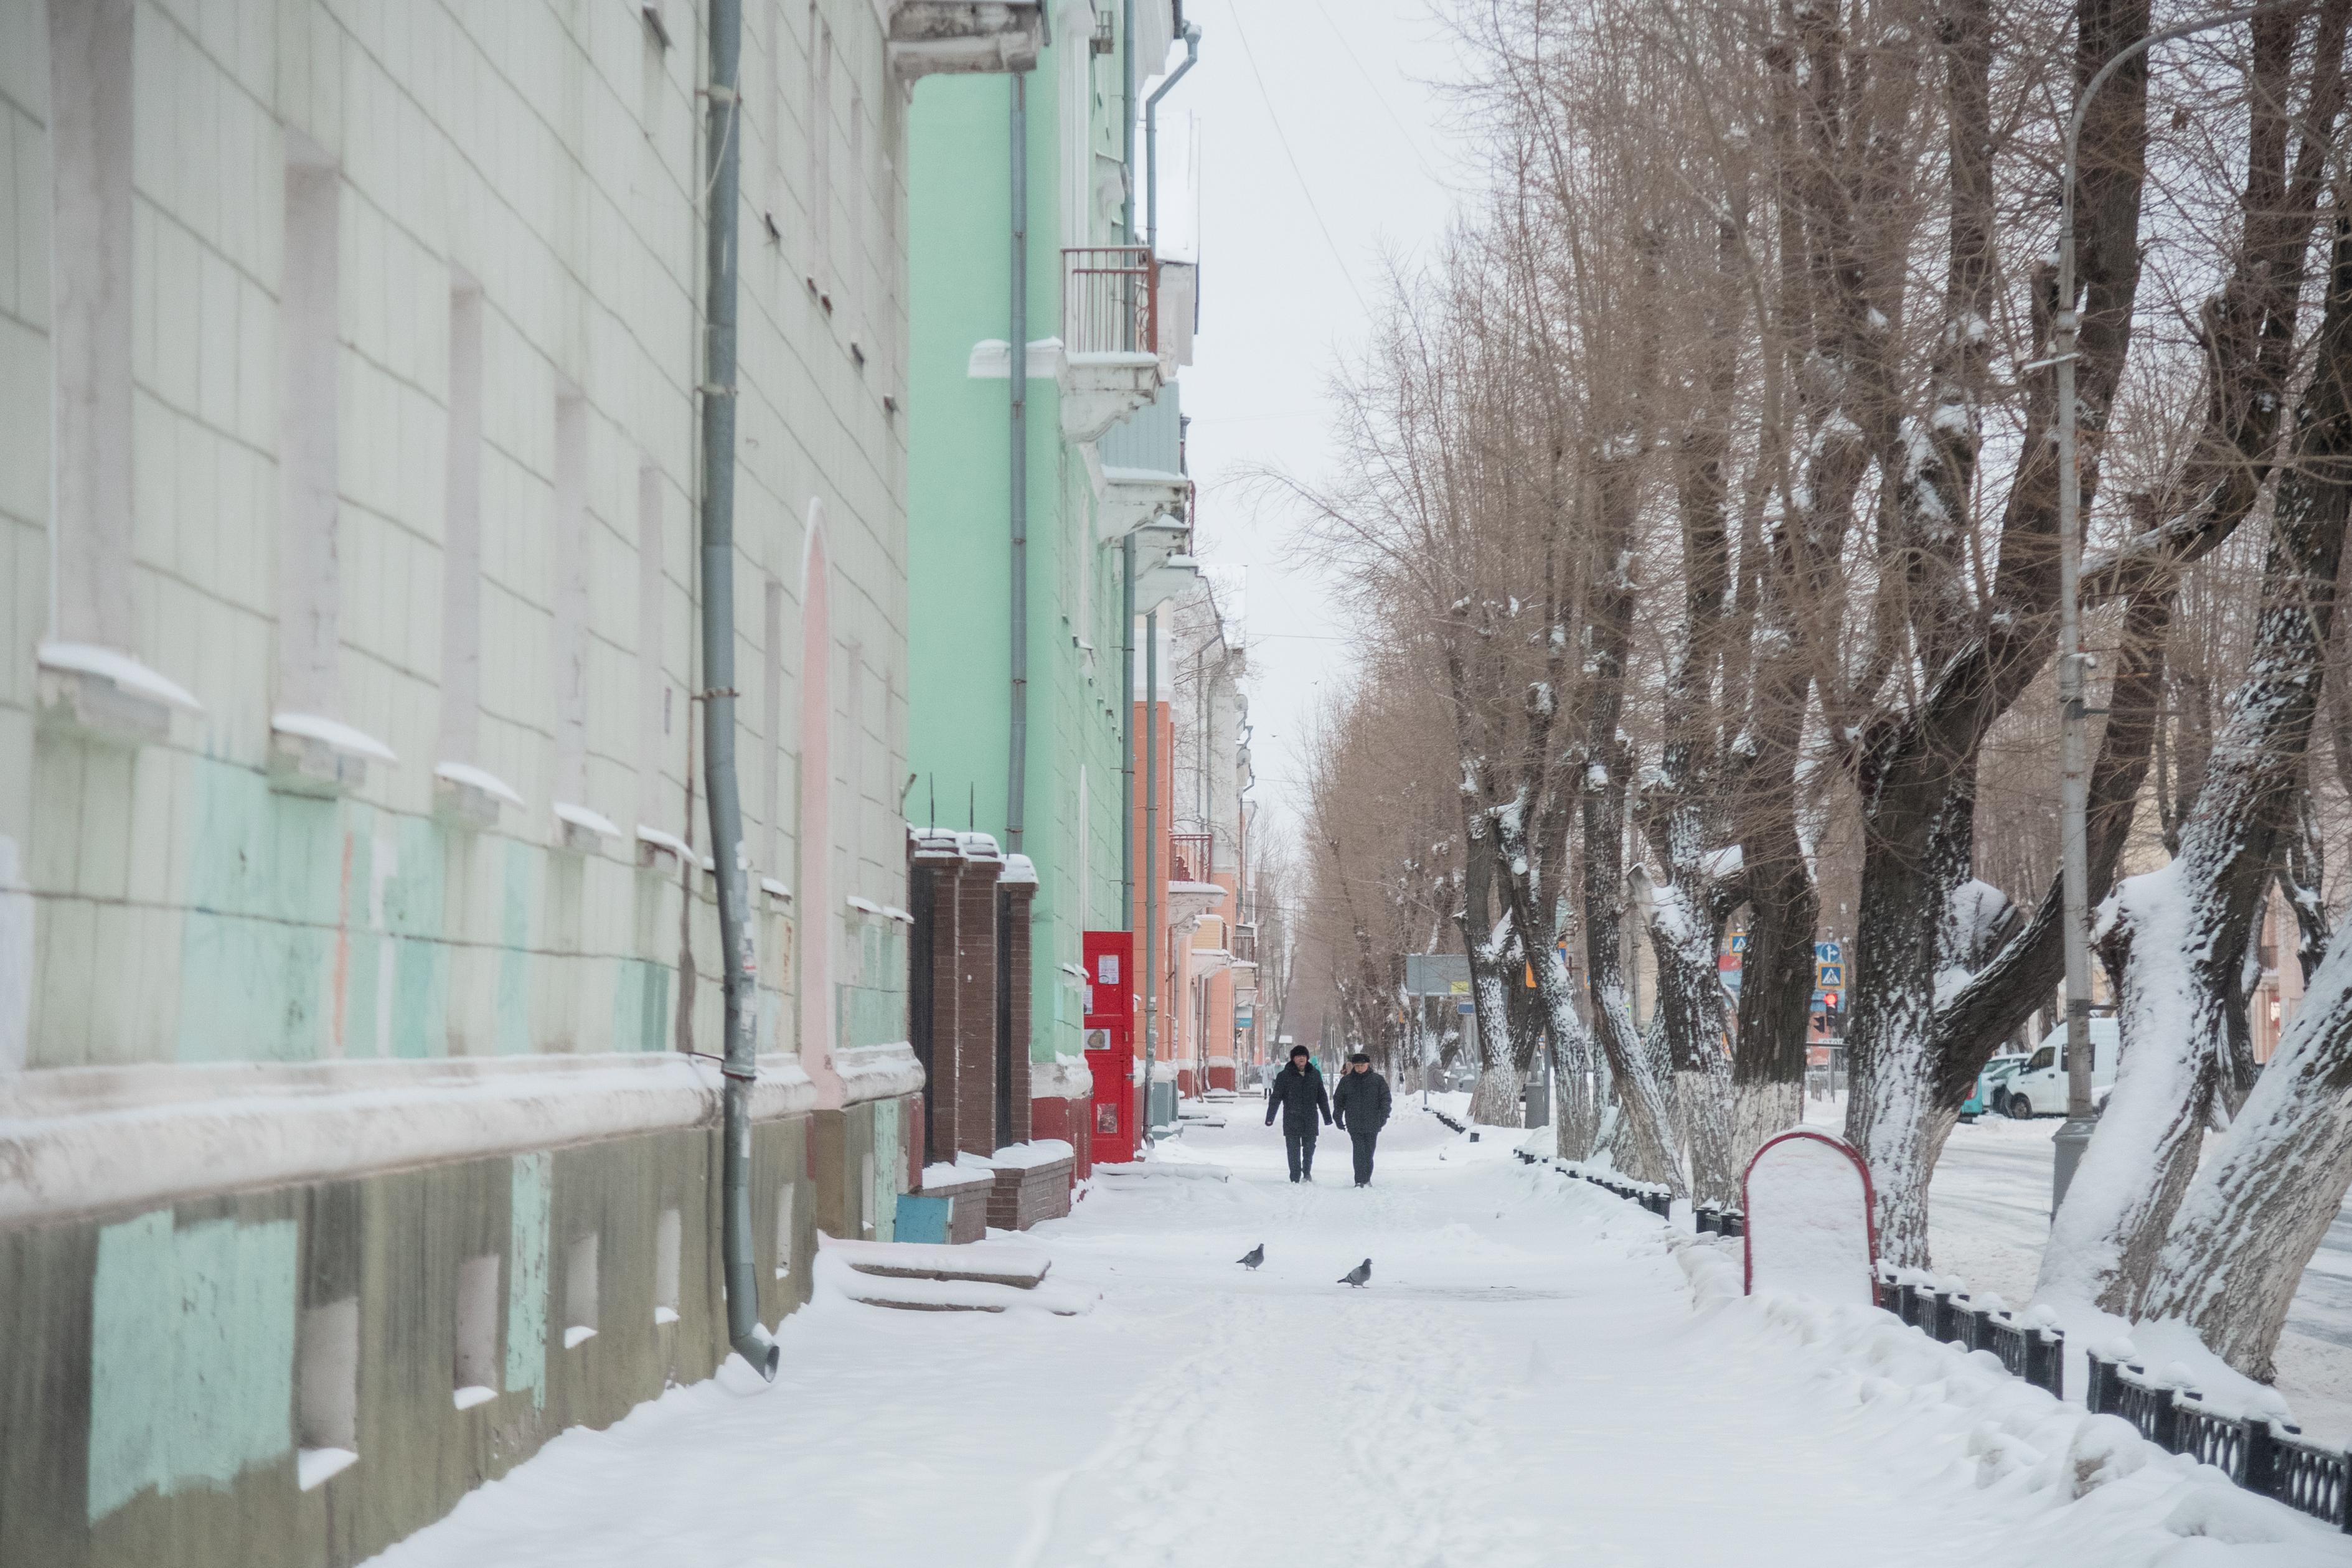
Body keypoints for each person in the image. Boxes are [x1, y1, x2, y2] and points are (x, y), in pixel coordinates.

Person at [1264, 1045, 1331, 1182]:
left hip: (1310, 1117)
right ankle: (1295, 1175)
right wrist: (1270, 1117)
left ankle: (1307, 1171)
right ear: (1293, 1059)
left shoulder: (1315, 1075)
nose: (1301, 1058)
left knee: (1309, 1147)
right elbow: (1276, 1097)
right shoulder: (1284, 1076)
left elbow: (1322, 1097)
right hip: (1292, 1118)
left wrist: (1327, 1117)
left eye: (1304, 1056)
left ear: (1307, 1058)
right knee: (1293, 1150)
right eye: (1298, 1056)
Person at [1332, 1052, 1393, 1187]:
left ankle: (1367, 1178)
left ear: (1368, 1065)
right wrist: (1338, 1116)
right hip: (1354, 1122)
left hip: (1373, 1122)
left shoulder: (1377, 1081)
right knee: (1359, 1150)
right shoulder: (1346, 1081)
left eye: (1362, 1065)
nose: (1359, 1068)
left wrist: (1383, 1117)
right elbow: (1339, 1100)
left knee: (1369, 1151)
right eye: (1357, 1065)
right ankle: (1359, 1179)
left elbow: (1386, 1100)